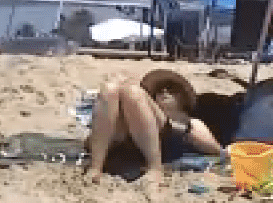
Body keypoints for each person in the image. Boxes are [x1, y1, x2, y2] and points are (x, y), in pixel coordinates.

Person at [83, 70, 224, 183]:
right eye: (160, 90)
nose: (164, 92)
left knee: (132, 91)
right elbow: (90, 141)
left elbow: (216, 150)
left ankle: (154, 168)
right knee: (109, 89)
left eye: (171, 89)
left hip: (165, 135)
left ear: (183, 98)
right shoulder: (135, 108)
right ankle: (95, 168)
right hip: (125, 138)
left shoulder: (191, 122)